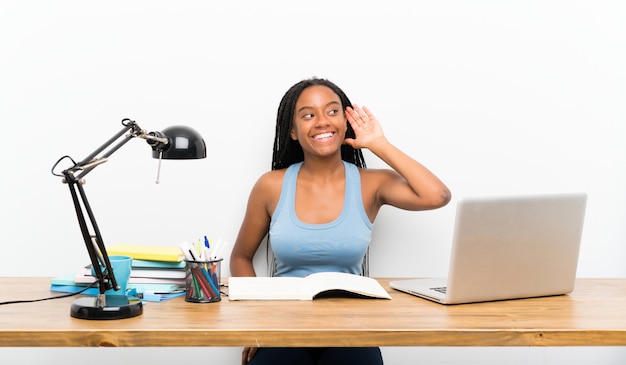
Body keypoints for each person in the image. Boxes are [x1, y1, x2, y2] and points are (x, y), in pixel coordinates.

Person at [230, 78, 451, 365]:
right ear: (293, 132)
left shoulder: (372, 184)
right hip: (284, 325)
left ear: (347, 123)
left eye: (332, 111)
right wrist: (257, 322)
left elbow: (437, 195)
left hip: (352, 327)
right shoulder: (271, 186)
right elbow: (241, 257)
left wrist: (378, 143)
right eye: (308, 115)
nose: (322, 122)